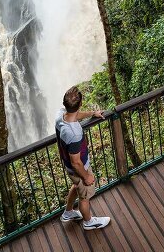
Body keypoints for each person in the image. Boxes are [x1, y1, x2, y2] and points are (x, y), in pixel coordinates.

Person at [56, 86, 110, 230]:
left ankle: (68, 212)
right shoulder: (74, 133)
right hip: (79, 169)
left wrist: (93, 113)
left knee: (77, 186)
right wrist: (86, 177)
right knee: (84, 196)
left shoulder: (60, 115)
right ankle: (88, 222)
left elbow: (74, 115)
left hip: (68, 166)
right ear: (80, 104)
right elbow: (76, 162)